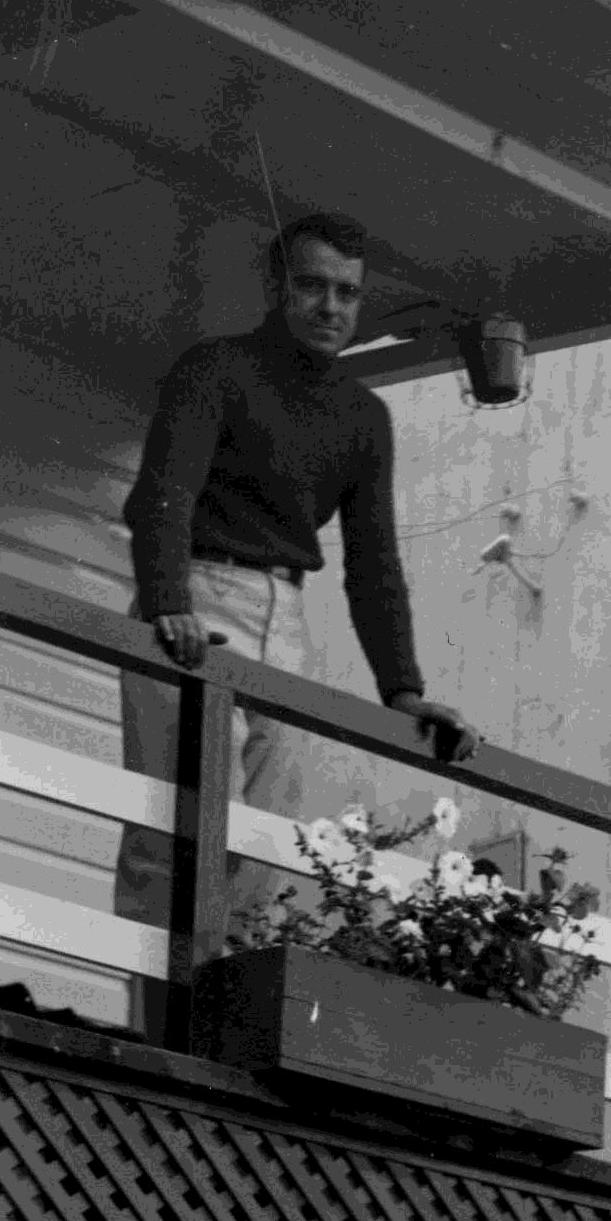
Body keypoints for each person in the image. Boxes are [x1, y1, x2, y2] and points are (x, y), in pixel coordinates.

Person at [114, 211, 467, 977]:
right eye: (312, 285)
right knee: (176, 821)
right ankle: (150, 1036)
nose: (330, 307)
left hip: (287, 619)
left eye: (347, 292)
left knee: (266, 839)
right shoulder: (217, 368)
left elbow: (373, 562)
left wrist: (403, 690)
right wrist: (169, 597)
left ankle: (210, 1032)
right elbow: (163, 495)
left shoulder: (362, 417)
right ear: (277, 286)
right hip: (197, 598)